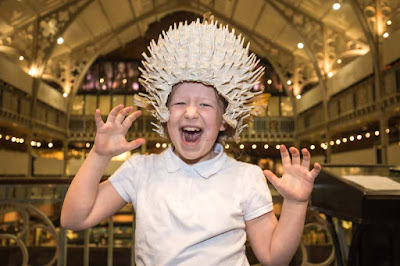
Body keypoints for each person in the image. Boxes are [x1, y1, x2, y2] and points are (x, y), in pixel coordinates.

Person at [61, 17, 321, 266]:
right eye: (180, 103)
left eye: (205, 104)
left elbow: (274, 257)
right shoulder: (140, 171)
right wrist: (98, 155)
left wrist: (296, 204)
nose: (191, 112)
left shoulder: (247, 177)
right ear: (164, 114)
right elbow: (74, 218)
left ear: (224, 120)